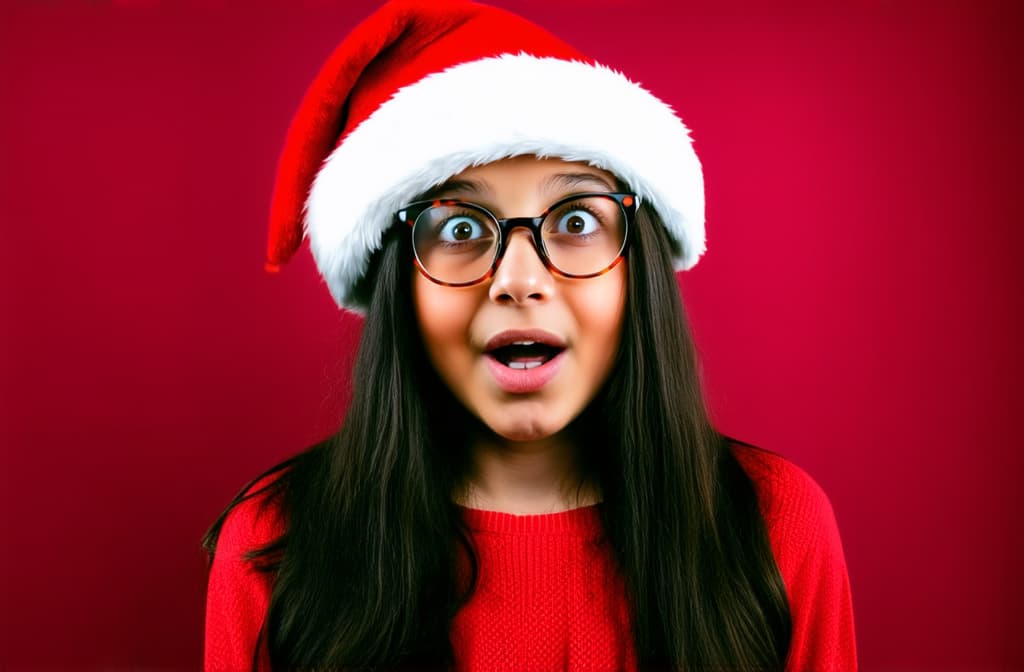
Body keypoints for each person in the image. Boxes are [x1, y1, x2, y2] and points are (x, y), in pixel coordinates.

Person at [202, 1, 857, 670]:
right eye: (459, 229)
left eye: (575, 221)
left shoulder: (778, 527)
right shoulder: (274, 544)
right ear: (400, 284)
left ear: (641, 268)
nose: (519, 281)